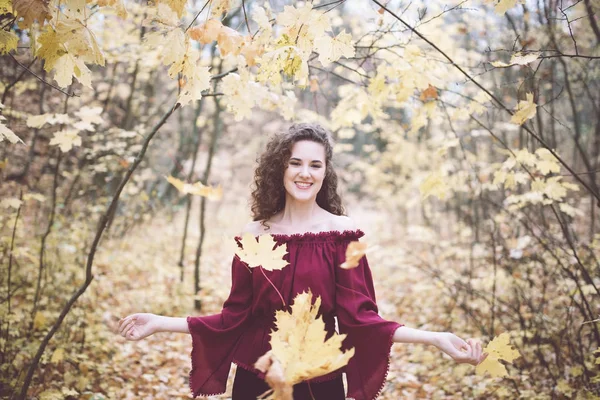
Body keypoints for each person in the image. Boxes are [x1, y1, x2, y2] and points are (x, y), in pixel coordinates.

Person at [117, 123, 487, 400]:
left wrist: (435, 338)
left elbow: (363, 319)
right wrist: (159, 323)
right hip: (257, 378)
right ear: (281, 168)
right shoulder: (254, 234)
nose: (305, 173)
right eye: (295, 163)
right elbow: (234, 318)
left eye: (315, 164)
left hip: (320, 378)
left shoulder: (342, 234)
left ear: (325, 172)